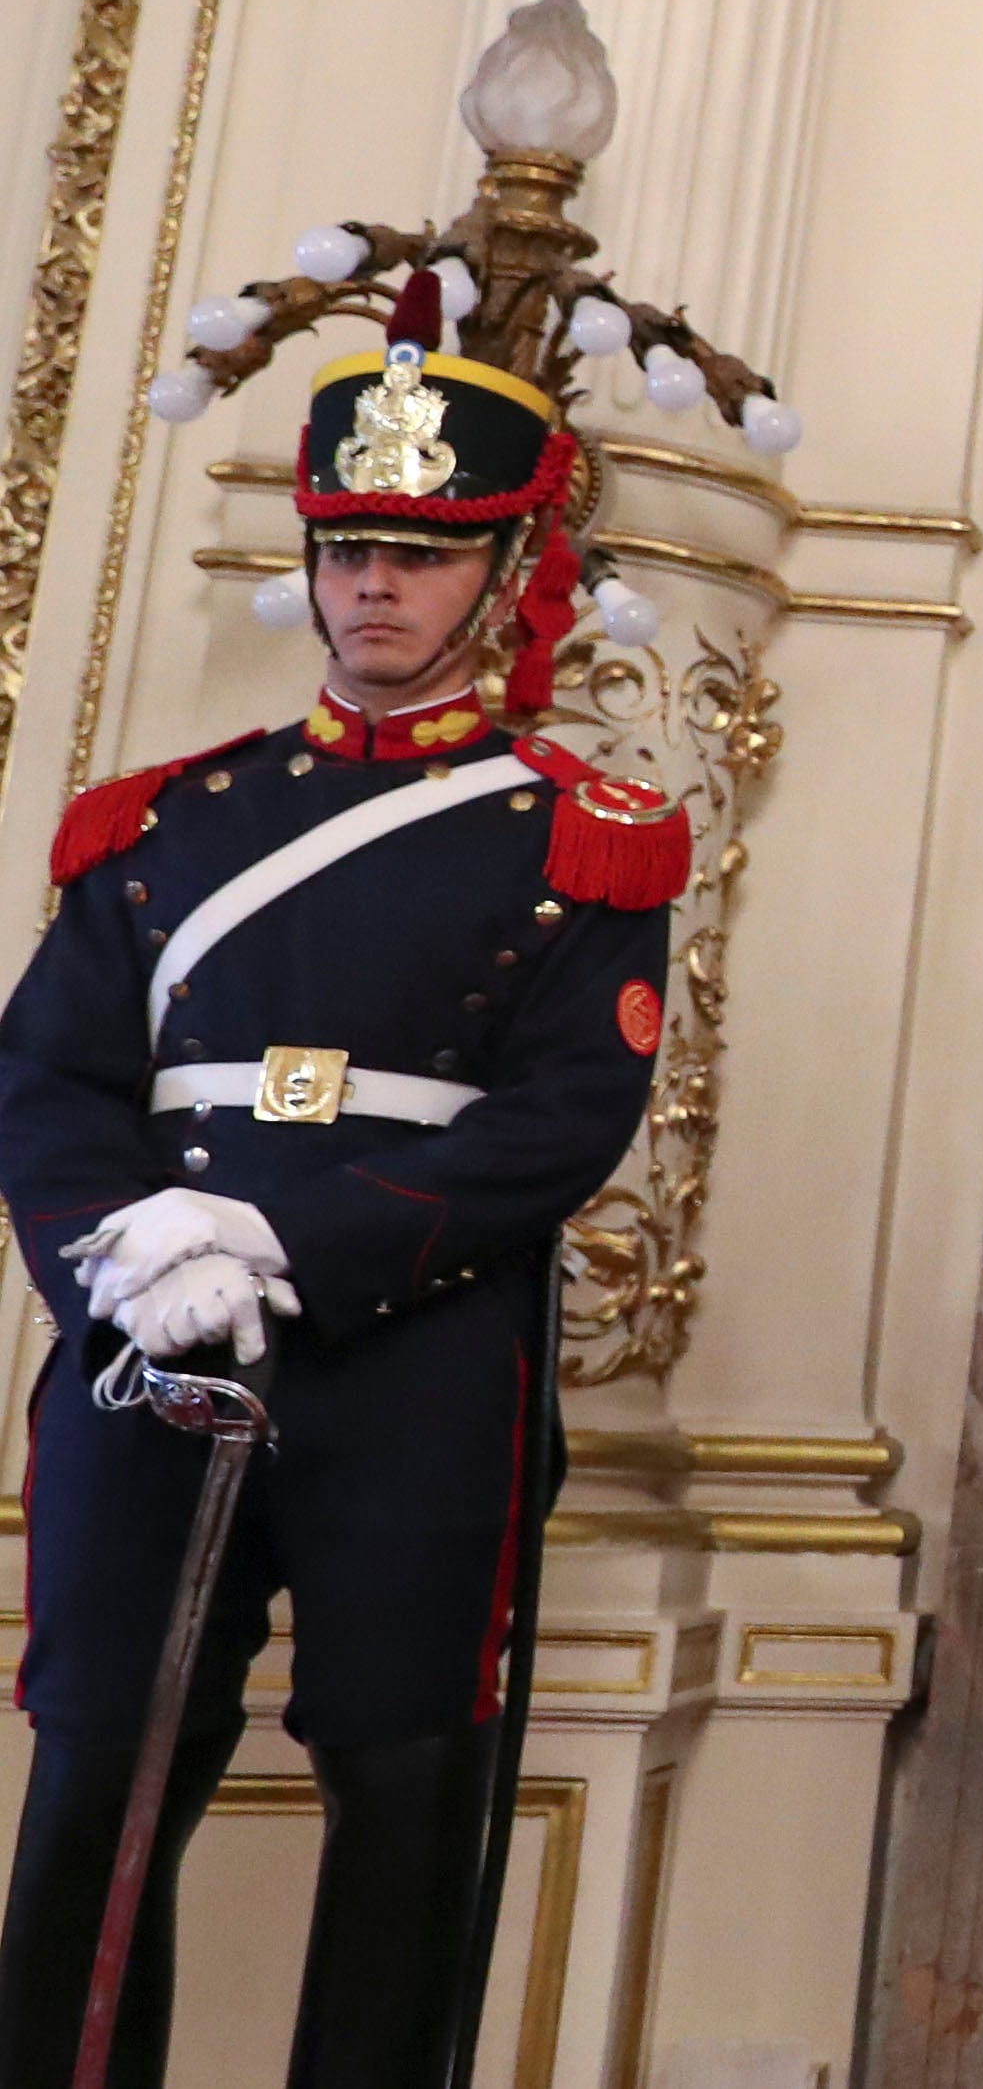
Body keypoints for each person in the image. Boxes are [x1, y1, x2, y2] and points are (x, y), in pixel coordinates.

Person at [0, 269, 686, 2087]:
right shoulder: (159, 826)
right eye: (352, 542)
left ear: (510, 572)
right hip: (151, 1346)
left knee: (402, 1800)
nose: (376, 582)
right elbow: (51, 1075)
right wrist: (124, 1258)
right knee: (97, 1786)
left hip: (419, 1365)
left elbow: (558, 1119)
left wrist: (277, 1233)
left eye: (428, 549)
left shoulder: (582, 838)